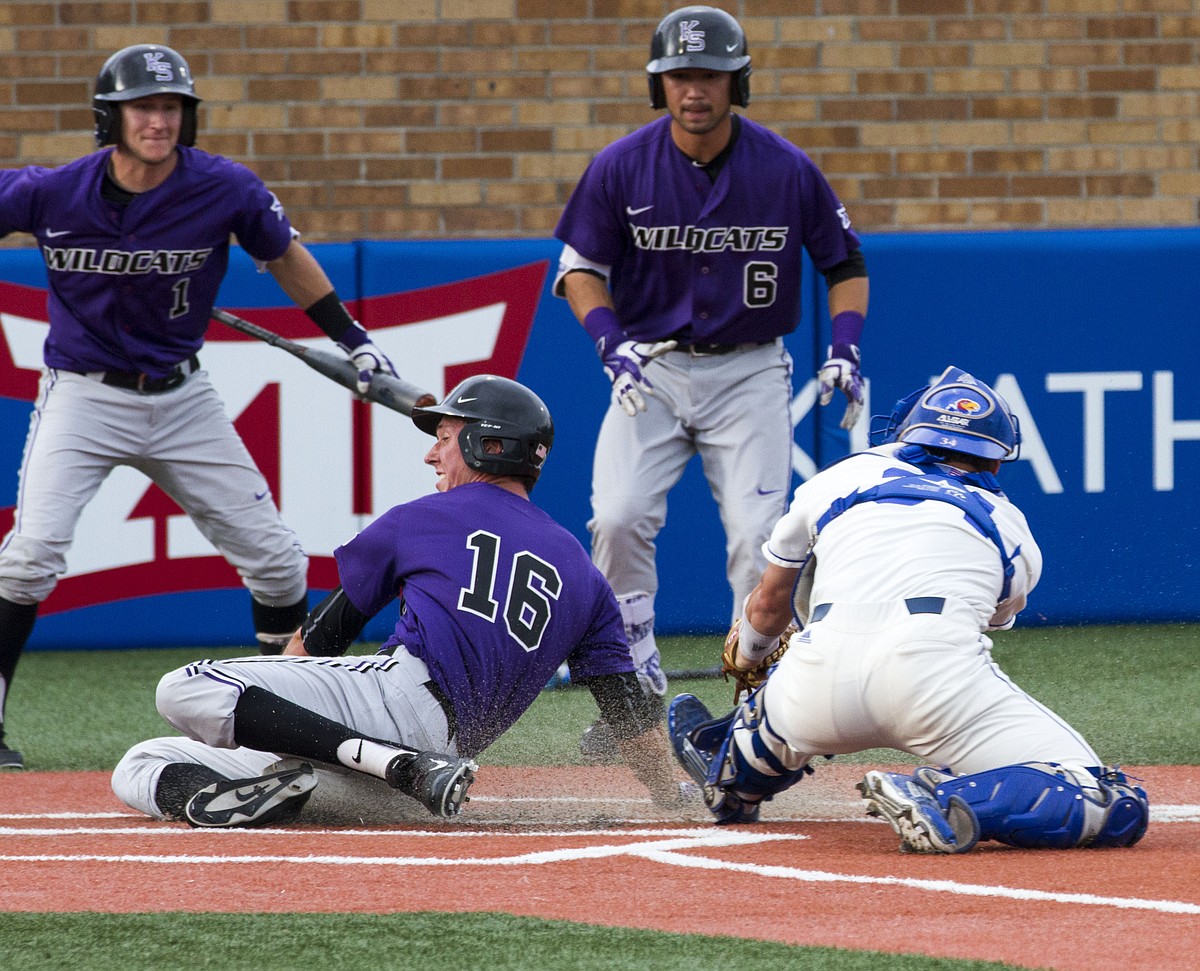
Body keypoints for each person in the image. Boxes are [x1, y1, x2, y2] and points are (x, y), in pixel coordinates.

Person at [0, 44, 401, 770]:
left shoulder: (224, 188)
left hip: (182, 396)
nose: (158, 120)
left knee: (278, 566)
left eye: (170, 107)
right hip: (83, 394)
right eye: (142, 107)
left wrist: (354, 338)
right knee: (27, 558)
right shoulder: (51, 192)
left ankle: (282, 724)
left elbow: (283, 255)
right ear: (109, 117)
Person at [111, 375, 692, 827]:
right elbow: (628, 712)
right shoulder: (586, 575)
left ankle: (395, 765)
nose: (431, 455)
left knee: (187, 687)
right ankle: (379, 772)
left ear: (488, 444)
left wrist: (265, 717)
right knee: (142, 763)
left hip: (395, 703)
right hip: (438, 769)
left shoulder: (424, 517)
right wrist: (671, 794)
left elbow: (314, 645)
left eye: (444, 438)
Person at [552, 6, 869, 760]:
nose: (694, 90)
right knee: (618, 515)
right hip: (650, 365)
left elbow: (845, 264)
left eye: (710, 75)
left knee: (759, 541)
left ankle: (762, 707)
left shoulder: (785, 167)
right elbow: (577, 271)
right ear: (659, 84)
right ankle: (633, 685)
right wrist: (610, 343)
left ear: (738, 82)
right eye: (680, 75)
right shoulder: (621, 164)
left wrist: (847, 347)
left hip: (751, 366)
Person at [667, 366, 1150, 853]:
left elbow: (769, 604)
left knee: (782, 706)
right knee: (1112, 799)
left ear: (907, 434)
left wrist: (752, 659)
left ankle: (733, 769)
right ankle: (945, 800)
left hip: (812, 685)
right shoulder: (1011, 525)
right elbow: (994, 616)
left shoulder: (839, 477)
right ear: (996, 462)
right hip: (932, 682)